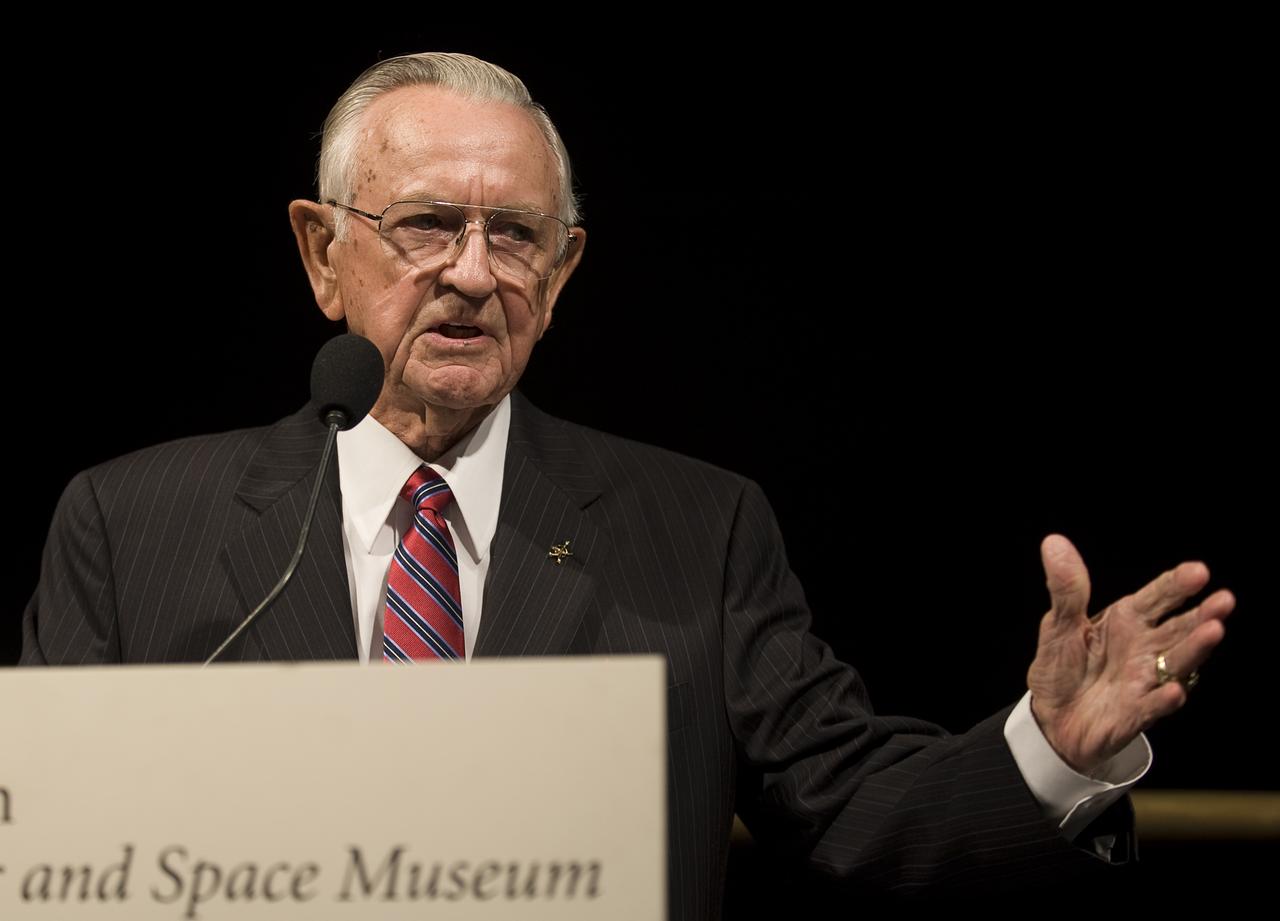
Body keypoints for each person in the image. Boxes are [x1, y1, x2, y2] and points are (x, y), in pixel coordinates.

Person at [22, 52, 1233, 918]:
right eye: (427, 225)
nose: (473, 274)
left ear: (562, 274)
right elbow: (48, 847)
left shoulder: (695, 529)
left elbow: (856, 812)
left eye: (516, 236)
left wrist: (1048, 750)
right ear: (321, 253)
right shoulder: (131, 525)